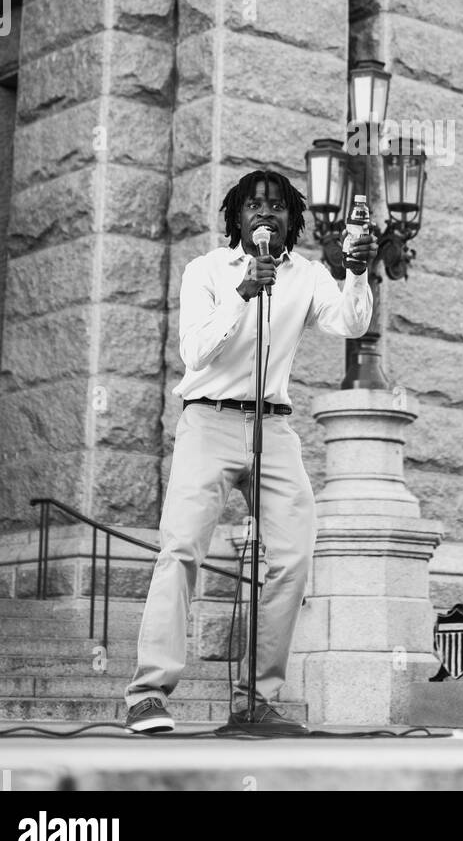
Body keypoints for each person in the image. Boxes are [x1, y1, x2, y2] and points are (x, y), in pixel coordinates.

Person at [124, 167, 376, 737]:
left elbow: (352, 324)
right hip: (209, 419)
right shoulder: (207, 271)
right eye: (255, 206)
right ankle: (148, 695)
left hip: (275, 429)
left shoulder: (308, 275)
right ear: (237, 218)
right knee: (182, 549)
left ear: (293, 220)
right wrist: (243, 293)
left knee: (293, 556)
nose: (267, 214)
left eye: (279, 207)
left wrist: (357, 274)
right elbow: (195, 352)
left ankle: (258, 700)